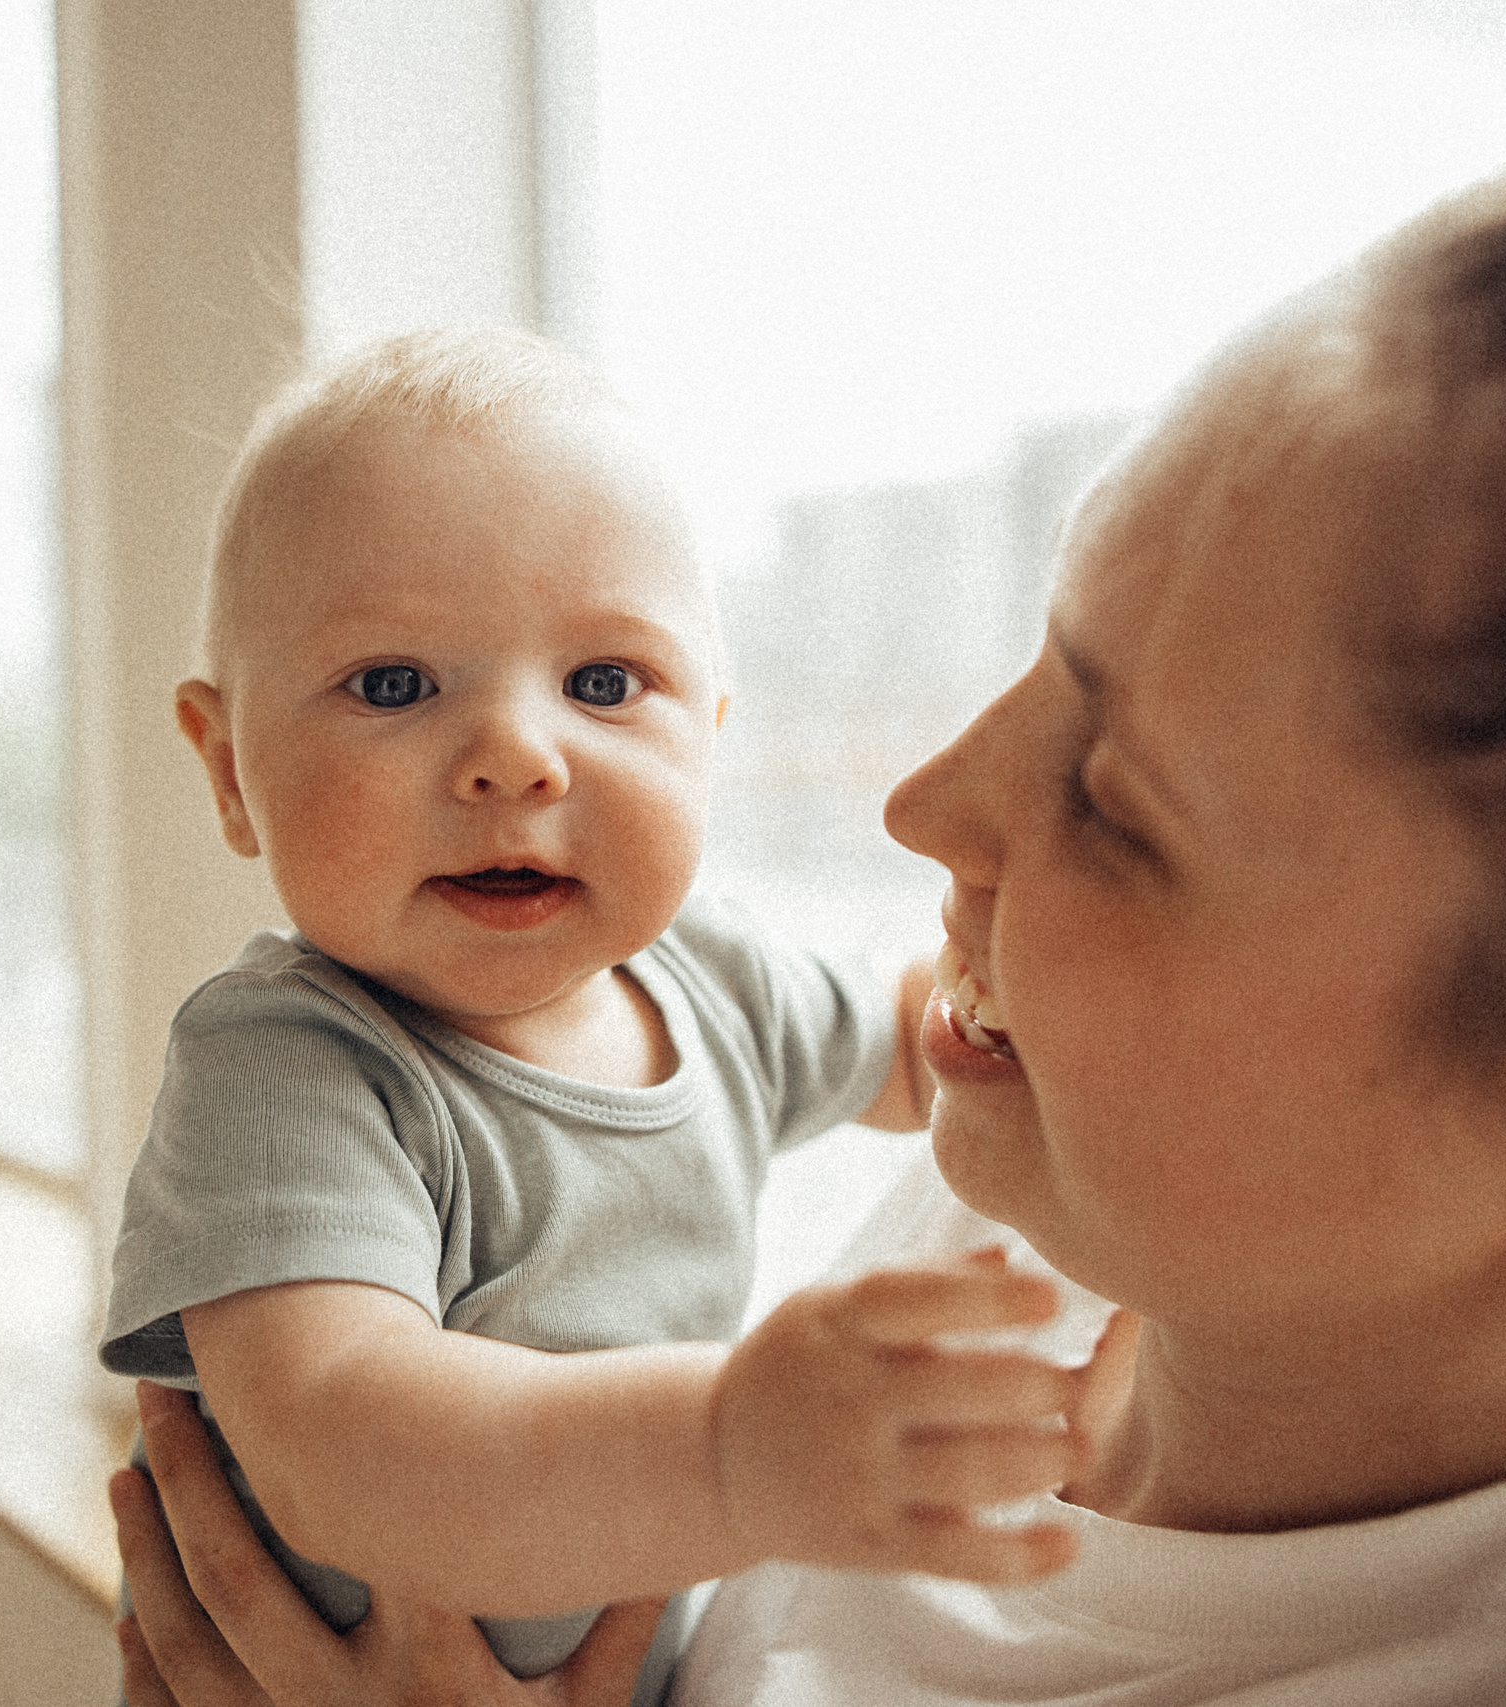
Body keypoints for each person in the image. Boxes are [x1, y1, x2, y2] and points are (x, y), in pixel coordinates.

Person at [107, 122, 1506, 1706]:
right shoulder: (1033, 1172)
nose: (922, 805)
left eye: (1116, 803)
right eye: (1043, 661)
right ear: (227, 766)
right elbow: (347, 1425)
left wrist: (733, 1456)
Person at [97, 329, 1102, 1707]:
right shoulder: (289, 1070)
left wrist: (1086, 1000)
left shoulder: (716, 982)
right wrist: (731, 1453)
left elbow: (932, 1040)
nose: (516, 756)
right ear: (229, 771)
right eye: (393, 684)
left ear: (710, 734)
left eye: (605, 684)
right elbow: (344, 1444)